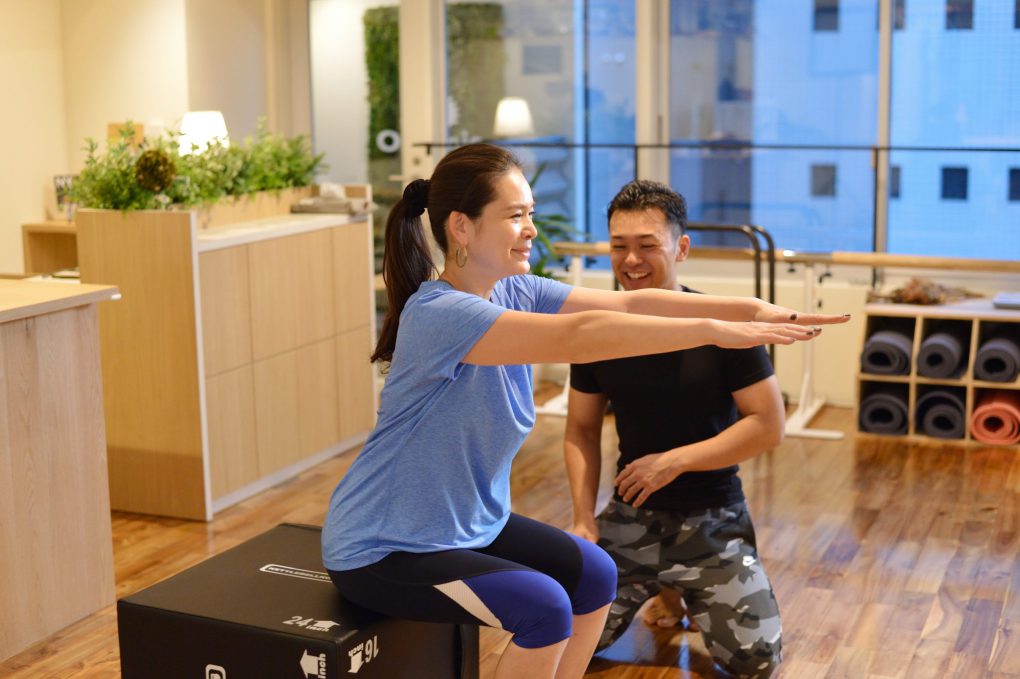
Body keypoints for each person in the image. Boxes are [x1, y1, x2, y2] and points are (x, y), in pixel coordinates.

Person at [321, 145, 846, 679]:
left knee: (595, 573)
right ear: (461, 227)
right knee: (544, 607)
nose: (531, 229)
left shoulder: (516, 290)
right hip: (386, 545)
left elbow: (630, 303)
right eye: (515, 216)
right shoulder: (441, 313)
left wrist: (749, 309)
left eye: (530, 213)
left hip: (469, 527)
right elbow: (581, 334)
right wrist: (715, 330)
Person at [565, 179, 788, 679]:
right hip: (631, 517)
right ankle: (667, 585)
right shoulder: (596, 329)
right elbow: (580, 429)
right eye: (619, 246)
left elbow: (768, 426)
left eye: (647, 245)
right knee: (565, 643)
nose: (631, 260)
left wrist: (674, 461)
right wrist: (583, 520)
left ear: (681, 248)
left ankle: (682, 585)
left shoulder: (724, 325)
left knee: (755, 662)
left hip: (713, 518)